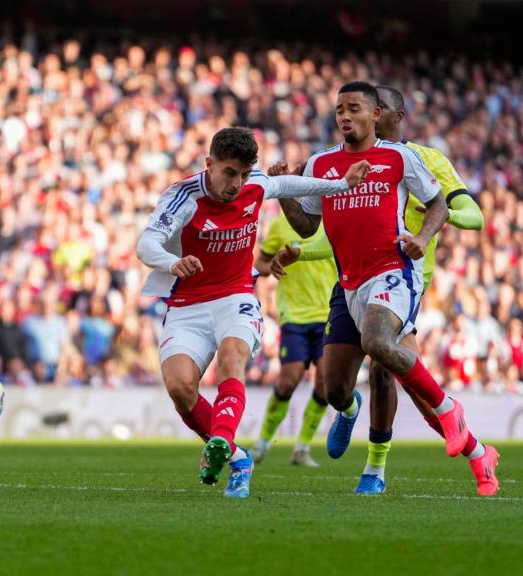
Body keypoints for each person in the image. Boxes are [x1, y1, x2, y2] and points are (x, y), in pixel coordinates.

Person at [270, 84, 496, 495]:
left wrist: (422, 239)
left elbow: (444, 205)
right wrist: (285, 190)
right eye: (338, 109)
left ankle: (392, 457)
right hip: (348, 283)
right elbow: (308, 225)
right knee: (334, 388)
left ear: (379, 114)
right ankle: (357, 412)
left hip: (396, 274)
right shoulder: (321, 164)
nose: (343, 116)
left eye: (353, 108)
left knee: (380, 354)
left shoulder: (406, 157)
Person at [136, 126, 369, 498]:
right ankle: (238, 456)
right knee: (180, 388)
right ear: (209, 163)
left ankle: (221, 444)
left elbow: (292, 186)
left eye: (244, 174)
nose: (237, 183)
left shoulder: (254, 185)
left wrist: (341, 185)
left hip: (237, 295)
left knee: (232, 359)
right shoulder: (182, 196)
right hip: (187, 304)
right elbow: (146, 243)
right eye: (229, 173)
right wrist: (172, 260)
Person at [251, 208, 335, 467]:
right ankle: (263, 443)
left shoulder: (333, 221)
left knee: (325, 383)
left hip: (329, 313)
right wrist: (274, 265)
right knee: (289, 380)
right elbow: (260, 265)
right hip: (294, 315)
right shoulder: (279, 226)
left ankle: (302, 448)